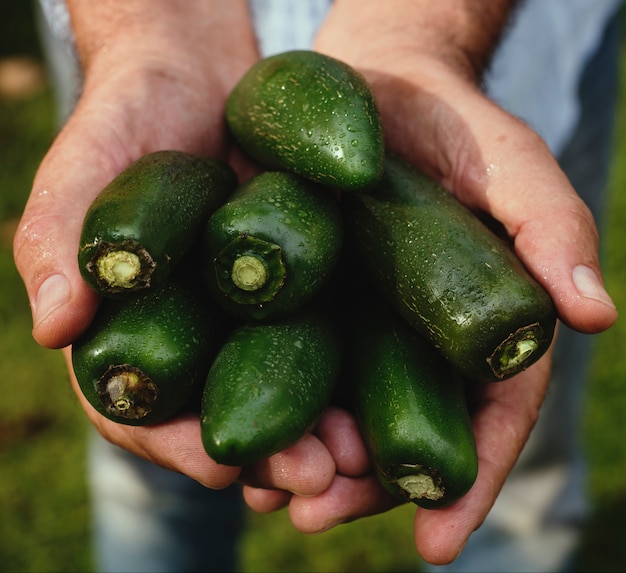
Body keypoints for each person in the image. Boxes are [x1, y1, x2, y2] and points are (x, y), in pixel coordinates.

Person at [16, 0, 619, 571]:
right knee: (151, 477)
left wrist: (415, 36)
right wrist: (148, 38)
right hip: (139, 40)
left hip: (507, 58)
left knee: (520, 478)